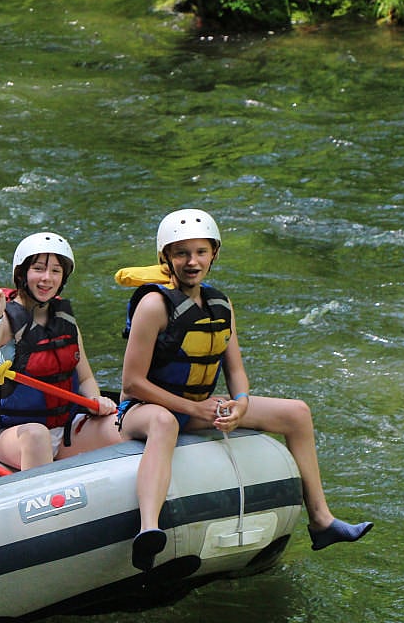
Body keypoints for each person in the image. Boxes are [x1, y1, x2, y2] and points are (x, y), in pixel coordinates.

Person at [117, 208, 373, 570]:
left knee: (297, 413)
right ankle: (149, 529)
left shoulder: (220, 304)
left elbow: (235, 369)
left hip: (197, 406)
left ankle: (322, 520)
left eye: (201, 252)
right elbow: (132, 383)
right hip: (143, 411)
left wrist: (240, 403)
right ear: (166, 258)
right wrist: (195, 409)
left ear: (214, 254)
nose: (192, 262)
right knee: (164, 422)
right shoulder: (153, 305)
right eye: (182, 253)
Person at [0, 232, 120, 471]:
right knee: (37, 435)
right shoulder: (7, 318)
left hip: (64, 430)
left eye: (56, 271)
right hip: (15, 435)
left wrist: (95, 400)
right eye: (38, 269)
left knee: (120, 425)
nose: (47, 278)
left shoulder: (65, 319)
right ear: (22, 273)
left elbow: (85, 378)